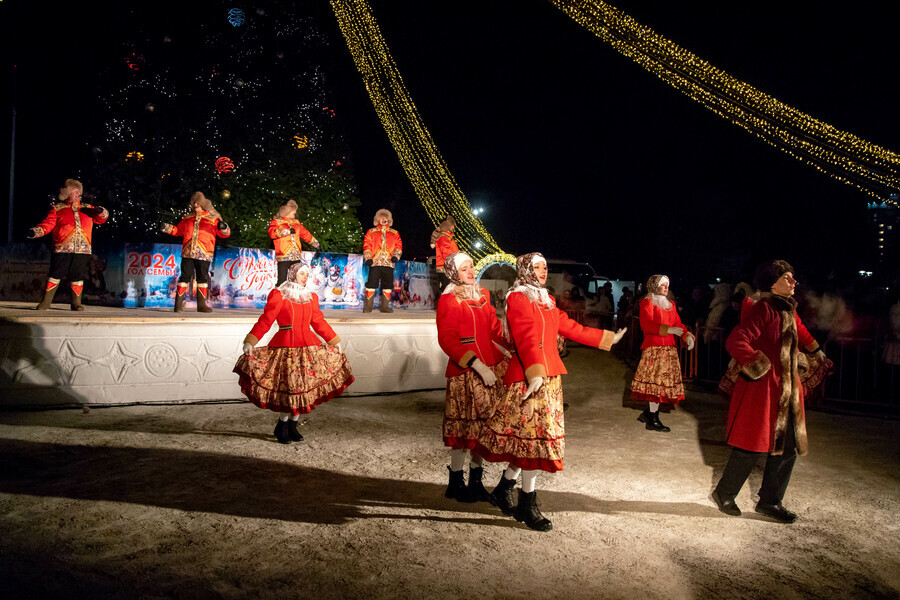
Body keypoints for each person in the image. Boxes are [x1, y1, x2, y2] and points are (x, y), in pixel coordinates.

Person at [475, 252, 626, 531]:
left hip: (548, 376)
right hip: (529, 377)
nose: (543, 271)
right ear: (524, 270)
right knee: (535, 443)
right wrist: (535, 372)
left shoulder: (545, 299)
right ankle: (527, 503)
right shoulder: (518, 297)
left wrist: (605, 338)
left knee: (531, 442)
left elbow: (568, 326)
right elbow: (525, 337)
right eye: (537, 267)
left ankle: (504, 488)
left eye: (545, 266)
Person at [711, 260, 824, 523]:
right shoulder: (764, 309)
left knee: (787, 447)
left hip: (788, 390)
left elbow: (801, 330)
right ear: (772, 283)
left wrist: (817, 350)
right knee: (752, 446)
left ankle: (771, 502)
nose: (793, 282)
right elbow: (736, 340)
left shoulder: (789, 309)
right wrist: (759, 366)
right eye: (787, 278)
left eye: (793, 278)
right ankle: (724, 494)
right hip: (764, 390)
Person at [234, 261, 354, 444]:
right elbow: (266, 321)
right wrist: (251, 340)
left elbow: (318, 322)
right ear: (292, 275)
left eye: (307, 274)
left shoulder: (311, 296)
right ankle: (282, 424)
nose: (305, 277)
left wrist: (334, 340)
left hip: (308, 347)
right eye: (301, 274)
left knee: (304, 389)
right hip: (286, 348)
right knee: (291, 390)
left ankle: (293, 425)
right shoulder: (280, 295)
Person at [436, 252, 512, 502]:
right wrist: (477, 364)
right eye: (464, 268)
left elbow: (494, 330)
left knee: (483, 428)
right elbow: (447, 339)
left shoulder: (483, 295)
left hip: (490, 367)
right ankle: (455, 481)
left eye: (471, 267)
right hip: (467, 371)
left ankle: (476, 482)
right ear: (453, 273)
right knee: (464, 428)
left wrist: (515, 344)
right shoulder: (448, 300)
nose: (470, 271)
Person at [28, 179, 109, 310]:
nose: (78, 193)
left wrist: (101, 211)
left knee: (78, 275)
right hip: (62, 248)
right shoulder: (58, 209)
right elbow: (47, 225)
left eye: (79, 191)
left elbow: (102, 219)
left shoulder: (88, 208)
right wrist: (35, 232)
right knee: (55, 274)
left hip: (83, 249)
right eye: (74, 191)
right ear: (67, 194)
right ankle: (46, 302)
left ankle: (76, 302)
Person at [630, 275, 695, 432]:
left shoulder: (670, 304)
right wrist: (668, 330)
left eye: (667, 285)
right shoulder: (647, 302)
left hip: (668, 349)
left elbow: (677, 323)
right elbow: (647, 325)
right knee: (656, 385)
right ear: (654, 287)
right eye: (663, 285)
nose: (666, 288)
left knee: (662, 384)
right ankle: (652, 418)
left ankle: (649, 414)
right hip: (655, 348)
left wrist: (686, 335)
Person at [161, 192, 230, 313]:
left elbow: (224, 234)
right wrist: (166, 227)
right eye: (194, 203)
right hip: (188, 252)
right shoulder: (188, 218)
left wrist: (223, 227)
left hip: (204, 252)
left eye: (198, 202)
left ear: (203, 204)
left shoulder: (213, 218)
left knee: (202, 278)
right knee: (185, 276)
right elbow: (178, 231)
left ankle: (201, 305)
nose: (196, 205)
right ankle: (178, 305)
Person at [268, 199, 320, 285]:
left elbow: (305, 233)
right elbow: (272, 233)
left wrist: (314, 242)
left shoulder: (296, 223)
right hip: (283, 256)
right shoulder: (276, 222)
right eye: (293, 210)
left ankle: (296, 296)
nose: (295, 212)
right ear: (287, 211)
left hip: (296, 256)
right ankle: (280, 297)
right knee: (282, 280)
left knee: (296, 280)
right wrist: (286, 231)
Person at [362, 208, 402, 313]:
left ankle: (384, 307)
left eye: (386, 218)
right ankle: (368, 307)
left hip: (388, 263)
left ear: (389, 220)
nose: (384, 219)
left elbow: (399, 246)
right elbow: (367, 245)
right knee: (371, 283)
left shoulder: (394, 233)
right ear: (377, 219)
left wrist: (396, 256)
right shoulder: (371, 232)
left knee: (388, 284)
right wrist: (368, 258)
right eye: (382, 217)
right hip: (375, 262)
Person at [430, 215, 459, 290]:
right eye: (453, 226)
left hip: (448, 268)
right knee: (447, 290)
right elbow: (447, 254)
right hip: (445, 268)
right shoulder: (444, 238)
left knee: (449, 290)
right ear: (449, 227)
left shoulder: (449, 237)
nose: (454, 228)